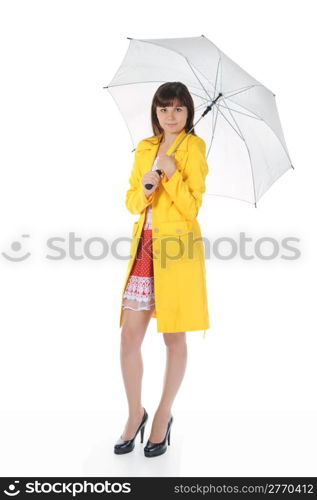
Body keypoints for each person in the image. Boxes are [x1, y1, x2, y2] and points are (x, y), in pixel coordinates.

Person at [114, 82, 210, 458]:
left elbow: (192, 209)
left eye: (178, 110)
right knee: (128, 339)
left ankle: (163, 416)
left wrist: (170, 174)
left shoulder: (194, 149)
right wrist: (148, 185)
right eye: (163, 109)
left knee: (174, 339)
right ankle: (135, 413)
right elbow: (132, 203)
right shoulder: (145, 149)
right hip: (145, 249)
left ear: (188, 113)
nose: (170, 117)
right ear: (155, 112)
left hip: (177, 253)